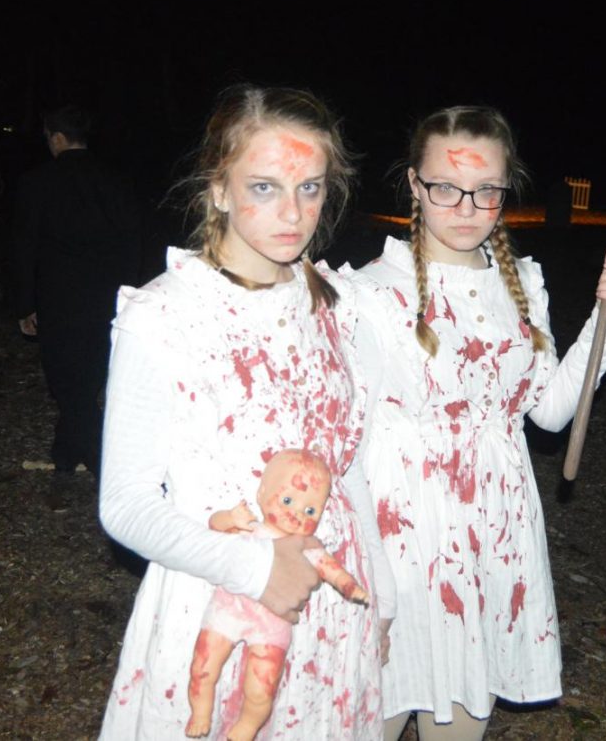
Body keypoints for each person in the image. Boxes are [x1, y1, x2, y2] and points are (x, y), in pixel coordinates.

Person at [99, 85, 394, 740]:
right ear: (219, 189)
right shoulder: (164, 315)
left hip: (330, 622)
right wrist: (258, 571)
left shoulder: (336, 306)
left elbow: (348, 474)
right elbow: (124, 504)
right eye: (264, 188)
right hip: (215, 609)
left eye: (310, 188)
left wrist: (381, 605)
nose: (292, 213)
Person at [347, 106, 606, 740]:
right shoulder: (368, 294)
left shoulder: (522, 288)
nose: (466, 207)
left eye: (486, 191)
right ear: (415, 186)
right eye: (445, 187)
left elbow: (552, 412)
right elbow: (344, 444)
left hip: (494, 537)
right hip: (401, 544)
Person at [187, 448, 369, 741]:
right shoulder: (250, 528)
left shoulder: (307, 546)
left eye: (311, 511)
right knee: (203, 669)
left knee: (261, 691)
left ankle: (247, 727)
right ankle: (201, 710)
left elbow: (331, 569)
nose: (297, 513)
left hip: (272, 626)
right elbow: (214, 525)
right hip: (226, 612)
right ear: (261, 494)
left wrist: (351, 587)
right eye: (287, 500)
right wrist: (230, 516)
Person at [12, 105, 142, 476]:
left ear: (56, 137)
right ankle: (66, 454)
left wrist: (25, 304)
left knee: (67, 383)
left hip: (60, 301)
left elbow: (25, 249)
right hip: (107, 298)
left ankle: (106, 467)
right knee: (87, 379)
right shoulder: (116, 181)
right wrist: (128, 294)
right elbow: (133, 241)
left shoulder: (37, 182)